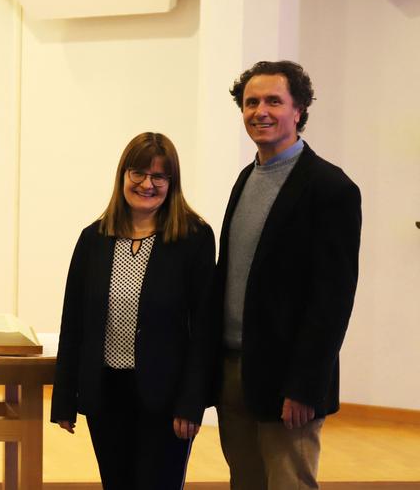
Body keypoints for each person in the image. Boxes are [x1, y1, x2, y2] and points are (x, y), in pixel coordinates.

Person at [214, 60, 362, 490]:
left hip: (288, 381)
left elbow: (333, 298)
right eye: (251, 102)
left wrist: (304, 385)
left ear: (299, 110)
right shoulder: (246, 179)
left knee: (289, 484)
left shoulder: (331, 188)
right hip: (235, 369)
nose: (260, 110)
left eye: (274, 101)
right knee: (245, 482)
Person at [51, 132, 215, 490]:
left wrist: (192, 403)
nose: (147, 184)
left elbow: (204, 329)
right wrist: (64, 398)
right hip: (107, 394)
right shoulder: (93, 238)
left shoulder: (194, 238)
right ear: (123, 175)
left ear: (172, 183)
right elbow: (74, 323)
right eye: (138, 173)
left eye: (159, 177)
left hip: (166, 397)